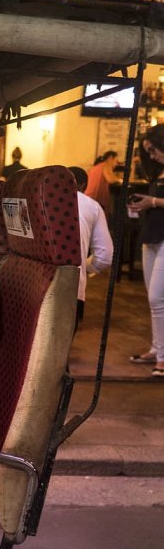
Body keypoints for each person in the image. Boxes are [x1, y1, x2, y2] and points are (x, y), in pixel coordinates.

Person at [127, 125, 164, 377]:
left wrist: (153, 201)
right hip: (152, 235)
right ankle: (157, 348)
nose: (152, 155)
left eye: (154, 150)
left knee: (157, 298)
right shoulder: (159, 171)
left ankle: (162, 357)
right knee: (153, 297)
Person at [68, 166, 113, 328]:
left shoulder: (38, 200)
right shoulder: (93, 207)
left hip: (35, 285)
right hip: (73, 287)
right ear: (83, 186)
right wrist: (84, 267)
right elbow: (105, 256)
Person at [85, 150, 120, 217]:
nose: (116, 164)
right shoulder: (106, 165)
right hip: (97, 198)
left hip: (88, 197)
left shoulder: (95, 167)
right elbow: (110, 180)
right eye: (116, 161)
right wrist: (119, 179)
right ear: (110, 158)